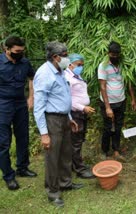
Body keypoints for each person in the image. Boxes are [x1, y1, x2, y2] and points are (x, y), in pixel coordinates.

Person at [33, 42, 83, 207]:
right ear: (55, 57)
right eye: (65, 55)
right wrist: (44, 134)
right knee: (53, 157)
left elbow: (62, 97)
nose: (67, 58)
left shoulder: (60, 71)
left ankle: (65, 183)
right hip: (52, 119)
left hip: (63, 118)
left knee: (65, 153)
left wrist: (69, 117)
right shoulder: (44, 74)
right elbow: (39, 107)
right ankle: (53, 192)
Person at [0, 36, 37, 191]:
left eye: (22, 51)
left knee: (23, 137)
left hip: (21, 103)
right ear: (6, 49)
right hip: (3, 104)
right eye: (16, 51)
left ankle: (22, 167)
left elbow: (32, 77)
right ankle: (9, 176)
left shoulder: (25, 62)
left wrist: (31, 96)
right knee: (3, 142)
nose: (20, 53)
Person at [98, 41, 136, 162]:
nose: (114, 57)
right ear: (108, 53)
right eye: (112, 54)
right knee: (108, 127)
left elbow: (128, 82)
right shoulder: (103, 66)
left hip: (121, 100)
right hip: (108, 103)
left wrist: (133, 99)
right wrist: (108, 107)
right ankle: (104, 151)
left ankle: (116, 151)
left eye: (117, 54)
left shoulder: (123, 65)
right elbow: (103, 87)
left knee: (118, 127)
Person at [64, 53, 95, 179]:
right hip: (75, 113)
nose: (81, 67)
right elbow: (68, 99)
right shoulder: (67, 78)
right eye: (79, 65)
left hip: (81, 113)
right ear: (70, 64)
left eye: (82, 65)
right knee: (75, 141)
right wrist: (83, 107)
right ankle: (80, 169)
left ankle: (75, 164)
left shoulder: (77, 76)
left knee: (79, 140)